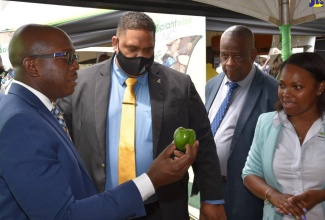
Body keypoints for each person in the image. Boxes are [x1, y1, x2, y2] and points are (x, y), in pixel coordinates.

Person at [0, 23, 199, 219]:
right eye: (66, 57)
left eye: (75, 57)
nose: (76, 65)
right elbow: (62, 215)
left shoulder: (30, 108)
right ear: (32, 66)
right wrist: (152, 179)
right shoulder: (21, 123)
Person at [58, 11, 226, 220]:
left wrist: (212, 199)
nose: (140, 57)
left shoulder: (179, 85)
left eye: (148, 50)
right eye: (132, 49)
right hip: (99, 206)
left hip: (161, 207)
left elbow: (205, 142)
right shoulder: (79, 85)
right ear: (115, 43)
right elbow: (61, 146)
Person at [205, 25, 279, 219]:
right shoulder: (212, 85)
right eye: (223, 55)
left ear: (253, 54)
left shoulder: (273, 92)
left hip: (246, 197)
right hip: (210, 189)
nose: (229, 63)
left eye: (237, 56)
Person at [242, 52, 325, 220]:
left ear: (320, 88)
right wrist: (273, 195)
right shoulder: (267, 123)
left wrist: (320, 195)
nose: (286, 93)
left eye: (297, 87)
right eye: (282, 85)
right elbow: (250, 173)